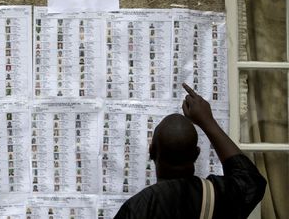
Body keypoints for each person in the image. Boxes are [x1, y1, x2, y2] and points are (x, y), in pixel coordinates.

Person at [114, 83, 266, 219]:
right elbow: (251, 179)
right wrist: (208, 122)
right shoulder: (218, 197)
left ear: (152, 151)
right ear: (197, 154)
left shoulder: (137, 208)